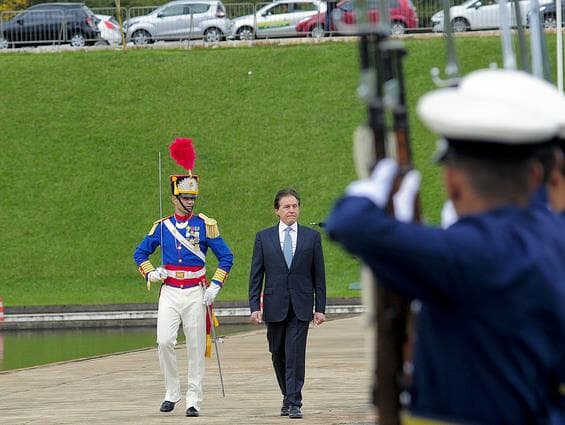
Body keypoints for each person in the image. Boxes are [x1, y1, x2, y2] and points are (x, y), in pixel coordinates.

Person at [325, 69, 565, 424]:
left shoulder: (465, 254)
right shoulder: (554, 235)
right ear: (534, 176)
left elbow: (349, 223)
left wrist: (373, 190)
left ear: (452, 181)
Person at [133, 172, 233, 418]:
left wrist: (215, 287)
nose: (190, 202)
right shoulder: (162, 226)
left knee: (196, 347)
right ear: (173, 198)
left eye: (192, 198)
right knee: (164, 341)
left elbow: (226, 257)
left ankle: (193, 399)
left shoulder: (204, 224)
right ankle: (171, 392)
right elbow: (140, 253)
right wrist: (150, 273)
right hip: (169, 291)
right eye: (185, 197)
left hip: (195, 292)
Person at [248, 188, 327, 420]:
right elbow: (256, 275)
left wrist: (320, 308)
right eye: (287, 206)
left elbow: (319, 276)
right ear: (277, 211)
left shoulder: (312, 237)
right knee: (278, 353)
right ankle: (287, 395)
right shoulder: (264, 238)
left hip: (301, 306)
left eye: (295, 206)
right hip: (274, 305)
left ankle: (294, 402)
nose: (292, 210)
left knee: (295, 353)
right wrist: (255, 306)